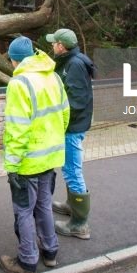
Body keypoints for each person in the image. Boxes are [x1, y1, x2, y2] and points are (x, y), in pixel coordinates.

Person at [0, 36, 69, 273]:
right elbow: (64, 115)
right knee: (44, 206)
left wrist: (12, 164)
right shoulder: (54, 76)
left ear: (13, 59)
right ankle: (50, 252)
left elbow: (18, 128)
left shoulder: (19, 83)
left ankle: (27, 263)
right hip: (51, 157)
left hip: (28, 161)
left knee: (24, 212)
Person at [45, 28, 96, 239]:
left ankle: (79, 224)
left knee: (73, 171)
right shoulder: (71, 60)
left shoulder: (74, 65)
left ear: (60, 46)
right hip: (73, 125)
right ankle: (70, 205)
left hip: (72, 128)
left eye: (53, 43)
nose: (51, 46)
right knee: (69, 169)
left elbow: (76, 101)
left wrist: (61, 121)